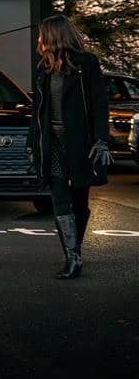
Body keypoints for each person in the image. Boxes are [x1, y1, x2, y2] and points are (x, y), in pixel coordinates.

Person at [28, 15, 113, 279]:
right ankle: (72, 258)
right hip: (53, 144)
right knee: (59, 198)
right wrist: (33, 143)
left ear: (54, 36)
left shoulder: (86, 63)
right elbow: (38, 111)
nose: (39, 40)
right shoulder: (44, 68)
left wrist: (101, 139)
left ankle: (77, 249)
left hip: (80, 144)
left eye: (42, 34)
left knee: (79, 199)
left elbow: (99, 103)